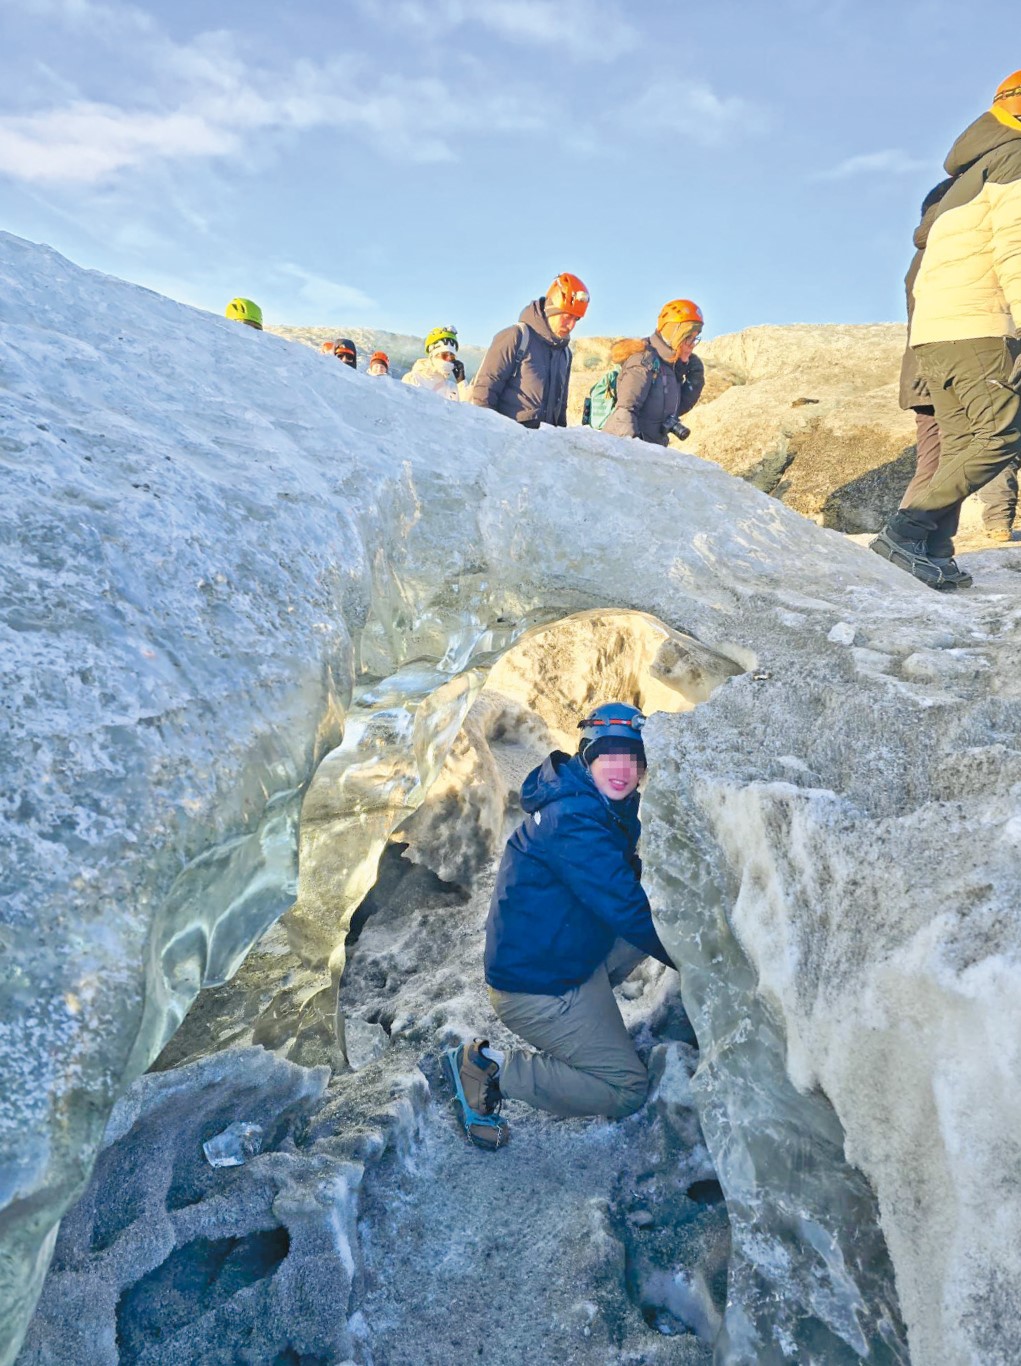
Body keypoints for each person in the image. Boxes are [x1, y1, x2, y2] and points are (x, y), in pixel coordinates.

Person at [444, 703, 674, 1150]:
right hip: (538, 988)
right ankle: (489, 1069)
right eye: (610, 755)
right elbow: (627, 908)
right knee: (627, 1089)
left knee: (650, 924)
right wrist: (706, 966)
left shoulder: (590, 801)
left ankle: (589, 1019)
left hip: (559, 955)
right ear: (588, 755)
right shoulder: (574, 820)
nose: (623, 770)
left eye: (634, 759)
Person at [872, 70, 1021, 590]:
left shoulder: (968, 175)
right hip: (979, 326)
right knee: (1000, 436)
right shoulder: (1015, 158)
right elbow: (1015, 248)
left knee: (959, 445)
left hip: (938, 333)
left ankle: (932, 547)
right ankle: (904, 532)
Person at [470, 272, 590, 429]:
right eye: (567, 317)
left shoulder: (565, 354)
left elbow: (561, 410)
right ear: (551, 309)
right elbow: (484, 392)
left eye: (576, 319)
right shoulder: (516, 337)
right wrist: (488, 436)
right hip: (507, 441)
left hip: (542, 446)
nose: (571, 326)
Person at [602, 300, 706, 444]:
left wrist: (696, 377)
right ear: (674, 333)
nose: (692, 345)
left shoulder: (669, 366)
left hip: (651, 453)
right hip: (630, 453)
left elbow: (671, 410)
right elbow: (624, 413)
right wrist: (635, 457)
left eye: (695, 339)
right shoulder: (644, 362)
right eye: (688, 338)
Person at [402, 326, 463, 400]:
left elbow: (469, 409)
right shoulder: (412, 379)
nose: (449, 360)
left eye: (452, 357)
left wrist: (461, 382)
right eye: (444, 355)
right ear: (432, 355)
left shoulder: (451, 387)